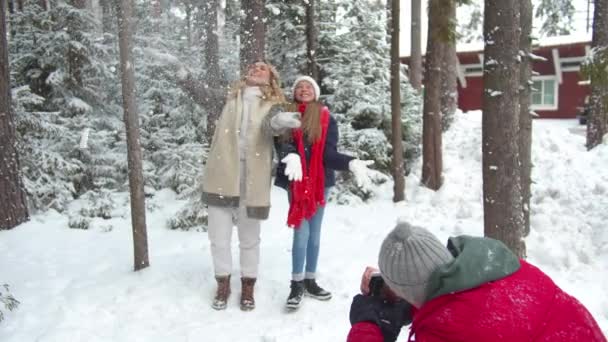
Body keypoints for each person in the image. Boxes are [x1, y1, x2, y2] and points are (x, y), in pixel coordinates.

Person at [347, 222, 607, 342]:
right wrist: (418, 307)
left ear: (408, 291)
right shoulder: (504, 267)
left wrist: (367, 327)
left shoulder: (443, 334)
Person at [201, 61, 301, 311]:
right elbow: (199, 93)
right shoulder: (229, 97)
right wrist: (181, 75)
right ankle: (222, 283)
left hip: (253, 178)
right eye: (254, 67)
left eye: (263, 68)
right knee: (218, 237)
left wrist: (283, 120)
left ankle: (248, 285)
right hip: (223, 174)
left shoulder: (272, 104)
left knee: (249, 238)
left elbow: (272, 123)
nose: (257, 69)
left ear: (271, 79)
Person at [274, 76, 374, 311]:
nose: (304, 89)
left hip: (321, 183)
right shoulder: (288, 116)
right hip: (297, 181)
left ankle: (310, 280)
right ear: (295, 92)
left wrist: (349, 163)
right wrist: (291, 155)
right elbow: (281, 143)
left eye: (308, 86)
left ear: (316, 92)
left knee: (315, 234)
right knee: (301, 233)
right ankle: (296, 284)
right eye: (299, 86)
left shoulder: (327, 119)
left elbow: (328, 154)